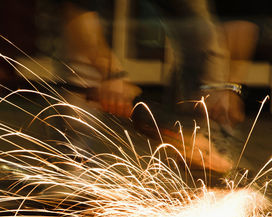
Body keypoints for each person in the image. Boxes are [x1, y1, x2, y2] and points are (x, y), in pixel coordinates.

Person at [62, 0, 246, 173]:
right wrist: (110, 75)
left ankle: (208, 147)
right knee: (83, 65)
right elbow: (78, 16)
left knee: (199, 34)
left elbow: (237, 26)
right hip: (82, 14)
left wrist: (228, 88)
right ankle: (73, 162)